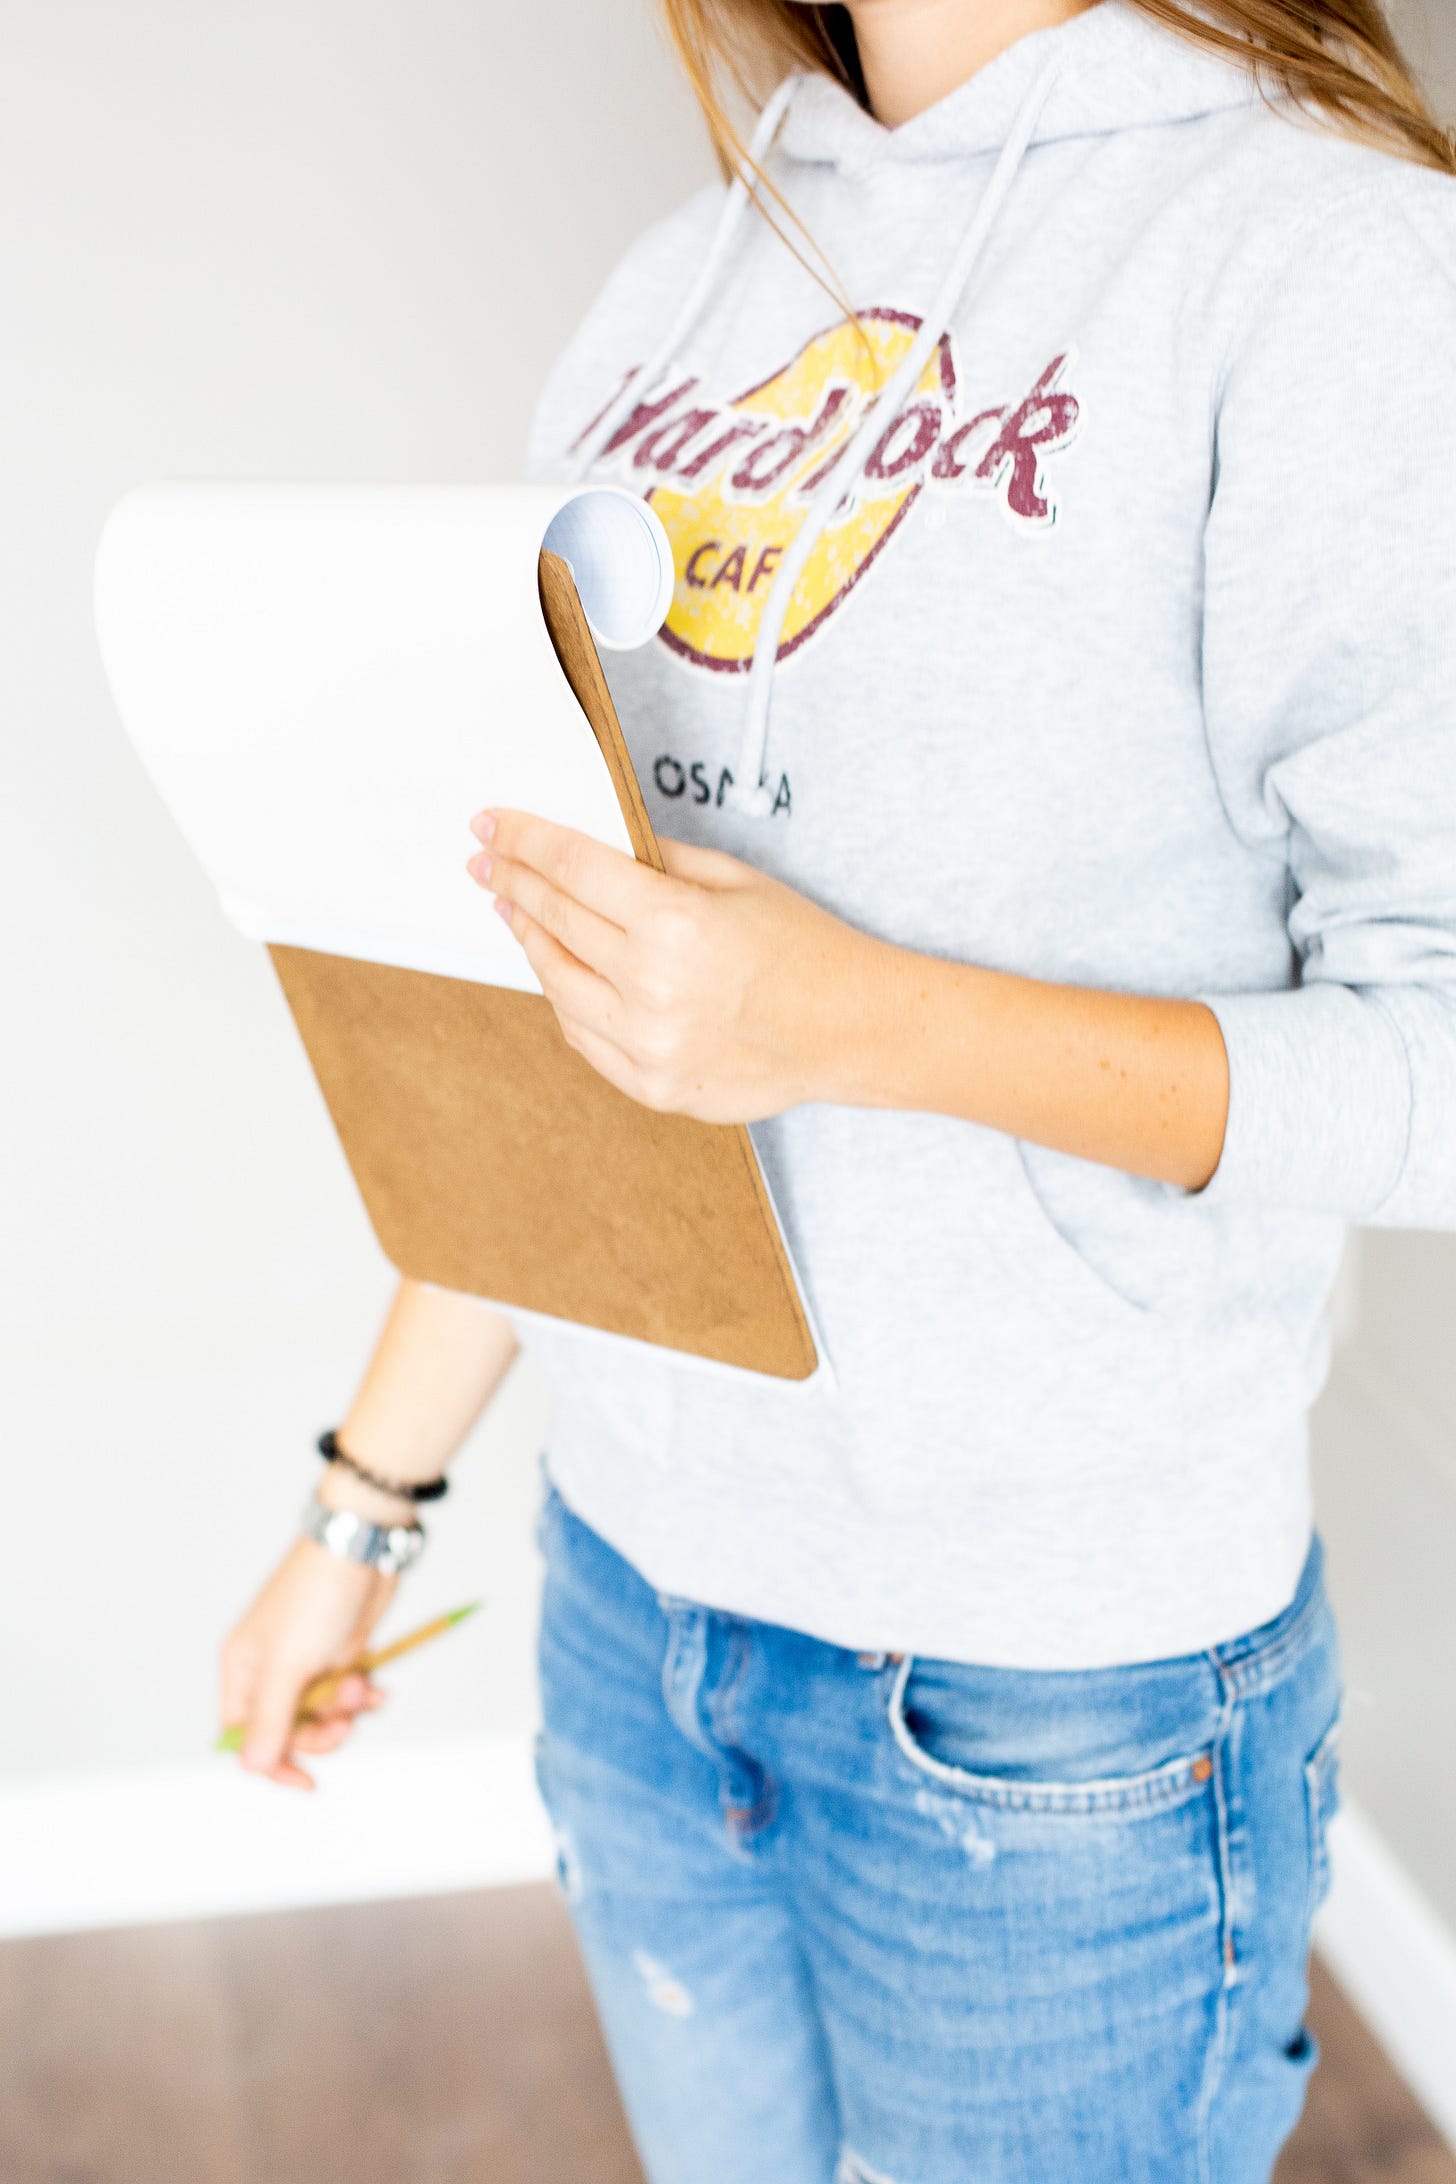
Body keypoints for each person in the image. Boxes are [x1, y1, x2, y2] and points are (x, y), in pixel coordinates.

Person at [220, 0, 1456, 2175]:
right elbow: (573, 1012)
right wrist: (358, 1500)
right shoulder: (672, 298)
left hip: (1050, 1709)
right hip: (636, 1616)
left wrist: (865, 1019)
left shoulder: (1329, 274)